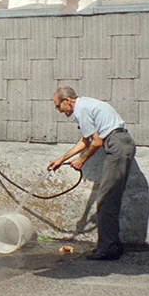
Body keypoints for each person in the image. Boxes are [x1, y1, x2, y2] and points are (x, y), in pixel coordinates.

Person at [48, 86, 137, 261]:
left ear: (67, 101)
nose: (58, 111)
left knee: (105, 200)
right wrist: (61, 159)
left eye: (58, 106)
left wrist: (82, 160)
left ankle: (107, 248)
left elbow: (95, 143)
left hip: (117, 146)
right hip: (121, 143)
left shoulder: (81, 109)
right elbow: (85, 141)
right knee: (110, 198)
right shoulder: (86, 105)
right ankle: (113, 244)